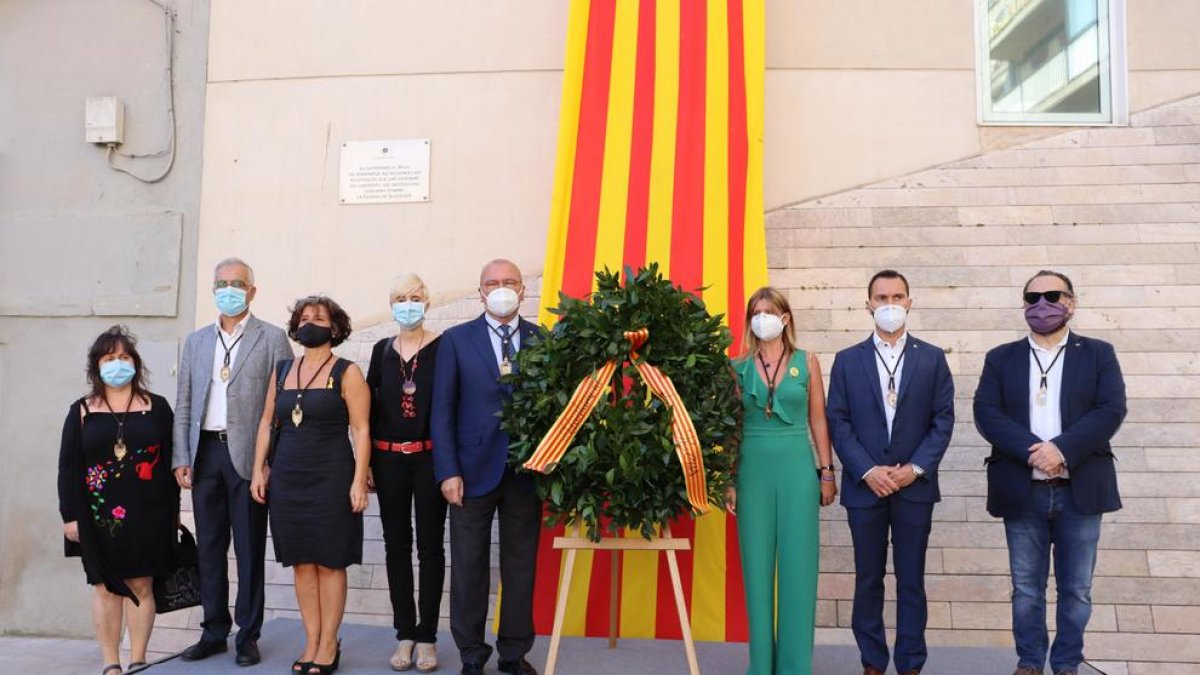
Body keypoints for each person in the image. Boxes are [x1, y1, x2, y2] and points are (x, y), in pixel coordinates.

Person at [973, 270, 1127, 675]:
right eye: (1032, 297)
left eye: (1052, 295)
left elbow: (1110, 410)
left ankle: (1066, 663)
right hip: (1024, 491)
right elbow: (987, 413)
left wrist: (1062, 449)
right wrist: (1034, 452)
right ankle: (1029, 662)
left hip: (1080, 490)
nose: (1042, 304)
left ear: (1071, 303)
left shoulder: (1098, 353)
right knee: (1026, 589)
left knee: (1077, 591)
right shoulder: (1000, 357)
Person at [826, 270, 954, 675]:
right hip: (866, 490)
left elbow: (943, 420)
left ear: (910, 302)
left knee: (912, 580)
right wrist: (867, 470)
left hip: (914, 488)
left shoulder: (932, 357)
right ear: (868, 305)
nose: (890, 304)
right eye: (881, 298)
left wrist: (914, 469)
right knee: (868, 579)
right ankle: (873, 662)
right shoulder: (847, 360)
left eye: (897, 296)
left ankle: (911, 663)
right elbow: (838, 422)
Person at [173, 257, 292, 667]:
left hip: (249, 458)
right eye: (221, 283)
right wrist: (181, 457)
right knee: (208, 547)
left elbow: (283, 408)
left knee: (248, 549)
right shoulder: (197, 341)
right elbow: (184, 401)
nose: (229, 289)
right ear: (213, 290)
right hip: (205, 452)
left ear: (252, 291)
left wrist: (270, 462)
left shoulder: (273, 339)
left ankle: (248, 635)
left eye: (237, 283)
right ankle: (213, 630)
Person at [250, 295, 371, 675]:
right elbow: (268, 422)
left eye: (319, 318)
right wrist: (258, 470)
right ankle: (311, 640)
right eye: (304, 318)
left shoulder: (348, 372)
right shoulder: (283, 370)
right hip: (288, 479)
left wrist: (358, 481)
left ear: (335, 328)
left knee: (331, 562)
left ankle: (329, 644)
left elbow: (362, 429)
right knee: (302, 562)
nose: (310, 323)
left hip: (332, 478)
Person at [432, 259, 541, 675]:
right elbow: (441, 411)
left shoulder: (542, 340)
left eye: (509, 282)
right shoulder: (456, 340)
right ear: (480, 292)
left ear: (522, 290)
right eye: (492, 283)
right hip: (469, 471)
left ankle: (514, 653)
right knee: (469, 567)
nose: (501, 288)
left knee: (520, 566)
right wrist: (447, 471)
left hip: (525, 472)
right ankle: (472, 655)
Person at [727, 287, 837, 675]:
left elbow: (818, 419)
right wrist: (728, 479)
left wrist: (826, 471)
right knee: (756, 568)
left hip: (796, 467)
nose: (763, 318)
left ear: (785, 318)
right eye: (756, 312)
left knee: (799, 567)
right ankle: (760, 665)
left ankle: (794, 666)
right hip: (751, 469)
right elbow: (733, 427)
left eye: (770, 311)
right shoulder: (737, 366)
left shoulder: (808, 362)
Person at [57, 326, 179, 675]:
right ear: (96, 366)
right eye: (109, 358)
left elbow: (173, 460)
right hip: (97, 514)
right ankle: (111, 663)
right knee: (106, 587)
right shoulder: (81, 411)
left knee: (142, 583)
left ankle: (139, 660)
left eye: (124, 357)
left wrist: (174, 513)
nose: (117, 364)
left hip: (150, 512)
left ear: (136, 363)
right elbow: (68, 466)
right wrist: (69, 516)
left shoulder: (158, 407)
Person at [366, 274, 446, 672]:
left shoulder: (443, 347)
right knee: (396, 546)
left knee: (430, 547)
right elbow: (366, 412)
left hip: (430, 459)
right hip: (388, 460)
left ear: (427, 302)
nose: (408, 304)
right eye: (401, 298)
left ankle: (428, 636)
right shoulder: (381, 350)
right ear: (391, 304)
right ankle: (405, 635)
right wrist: (363, 463)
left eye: (415, 297)